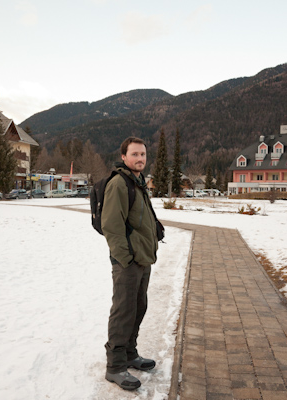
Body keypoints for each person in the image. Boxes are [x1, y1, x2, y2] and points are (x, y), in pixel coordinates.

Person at [101, 137, 158, 391]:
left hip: (142, 258)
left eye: (143, 154)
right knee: (123, 311)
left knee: (138, 307)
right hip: (128, 261)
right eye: (135, 154)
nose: (140, 158)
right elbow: (111, 226)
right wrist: (126, 258)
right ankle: (115, 366)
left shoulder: (138, 182)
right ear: (123, 156)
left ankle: (130, 354)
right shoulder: (119, 184)